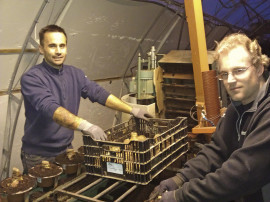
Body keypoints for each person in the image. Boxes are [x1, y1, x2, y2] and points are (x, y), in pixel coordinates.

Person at [149, 33, 270, 202]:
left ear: (259, 68)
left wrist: (180, 196)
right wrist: (181, 178)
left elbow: (241, 174)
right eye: (224, 74)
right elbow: (217, 150)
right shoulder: (237, 107)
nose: (231, 80)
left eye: (239, 71)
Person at [20, 24, 152, 174]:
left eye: (62, 46)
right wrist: (87, 126)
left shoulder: (75, 73)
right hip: (39, 155)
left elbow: (99, 93)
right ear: (41, 49)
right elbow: (51, 108)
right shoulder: (32, 78)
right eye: (52, 46)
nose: (58, 51)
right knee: (41, 196)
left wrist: (132, 109)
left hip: (66, 149)